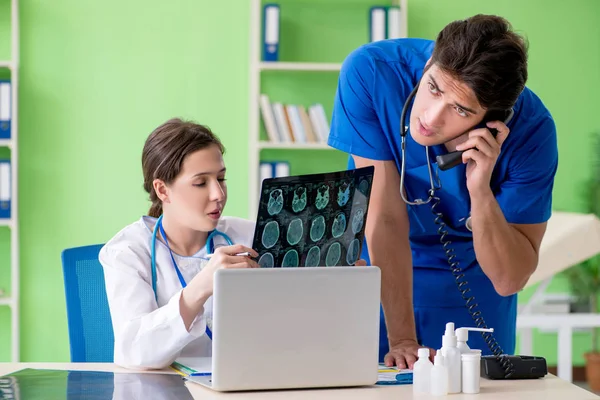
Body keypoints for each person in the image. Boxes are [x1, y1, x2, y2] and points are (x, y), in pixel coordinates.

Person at [328, 14, 558, 369]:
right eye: (433, 88)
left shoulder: (533, 132)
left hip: (474, 282)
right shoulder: (373, 72)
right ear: (429, 63)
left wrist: (480, 190)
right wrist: (402, 337)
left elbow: (510, 278)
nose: (431, 118)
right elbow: (386, 216)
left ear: (493, 120)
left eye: (460, 109)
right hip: (380, 265)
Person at [99, 118, 259, 370]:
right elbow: (134, 353)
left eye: (221, 178)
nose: (218, 193)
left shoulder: (249, 236)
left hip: (244, 382)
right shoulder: (127, 252)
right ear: (162, 190)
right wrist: (201, 287)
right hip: (162, 390)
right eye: (200, 183)